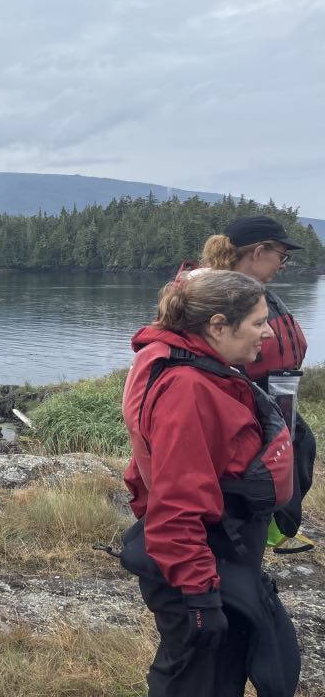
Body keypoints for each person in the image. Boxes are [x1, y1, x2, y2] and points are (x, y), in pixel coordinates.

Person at [120, 269, 299, 696]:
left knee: (229, 672)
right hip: (201, 564)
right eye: (257, 322)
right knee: (197, 682)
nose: (268, 333)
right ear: (218, 325)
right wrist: (200, 597)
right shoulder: (187, 387)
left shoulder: (199, 367)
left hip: (221, 556)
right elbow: (176, 503)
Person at [201, 215, 315, 550]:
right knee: (258, 463)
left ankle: (275, 526)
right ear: (259, 251)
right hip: (244, 391)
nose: (282, 265)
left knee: (300, 447)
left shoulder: (251, 292)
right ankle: (264, 530)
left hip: (275, 389)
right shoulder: (219, 293)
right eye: (281, 255)